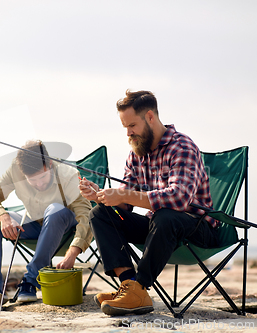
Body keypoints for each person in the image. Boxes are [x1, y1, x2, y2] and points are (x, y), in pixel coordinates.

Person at [79, 90, 220, 316]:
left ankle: (140, 286)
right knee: (100, 213)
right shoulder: (136, 154)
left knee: (166, 215)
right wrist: (101, 196)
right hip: (158, 228)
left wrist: (124, 195)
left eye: (132, 125)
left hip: (196, 229)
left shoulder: (181, 146)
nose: (128, 133)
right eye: (125, 127)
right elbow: (124, 203)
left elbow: (179, 199)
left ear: (150, 117)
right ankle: (130, 285)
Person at [0, 140, 93, 310]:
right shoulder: (15, 170)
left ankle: (30, 282)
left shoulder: (68, 175)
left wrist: (74, 251)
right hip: (34, 225)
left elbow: (87, 217)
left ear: (49, 164)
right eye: (32, 180)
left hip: (64, 229)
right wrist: (3, 216)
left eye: (42, 177)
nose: (39, 184)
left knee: (55, 210)